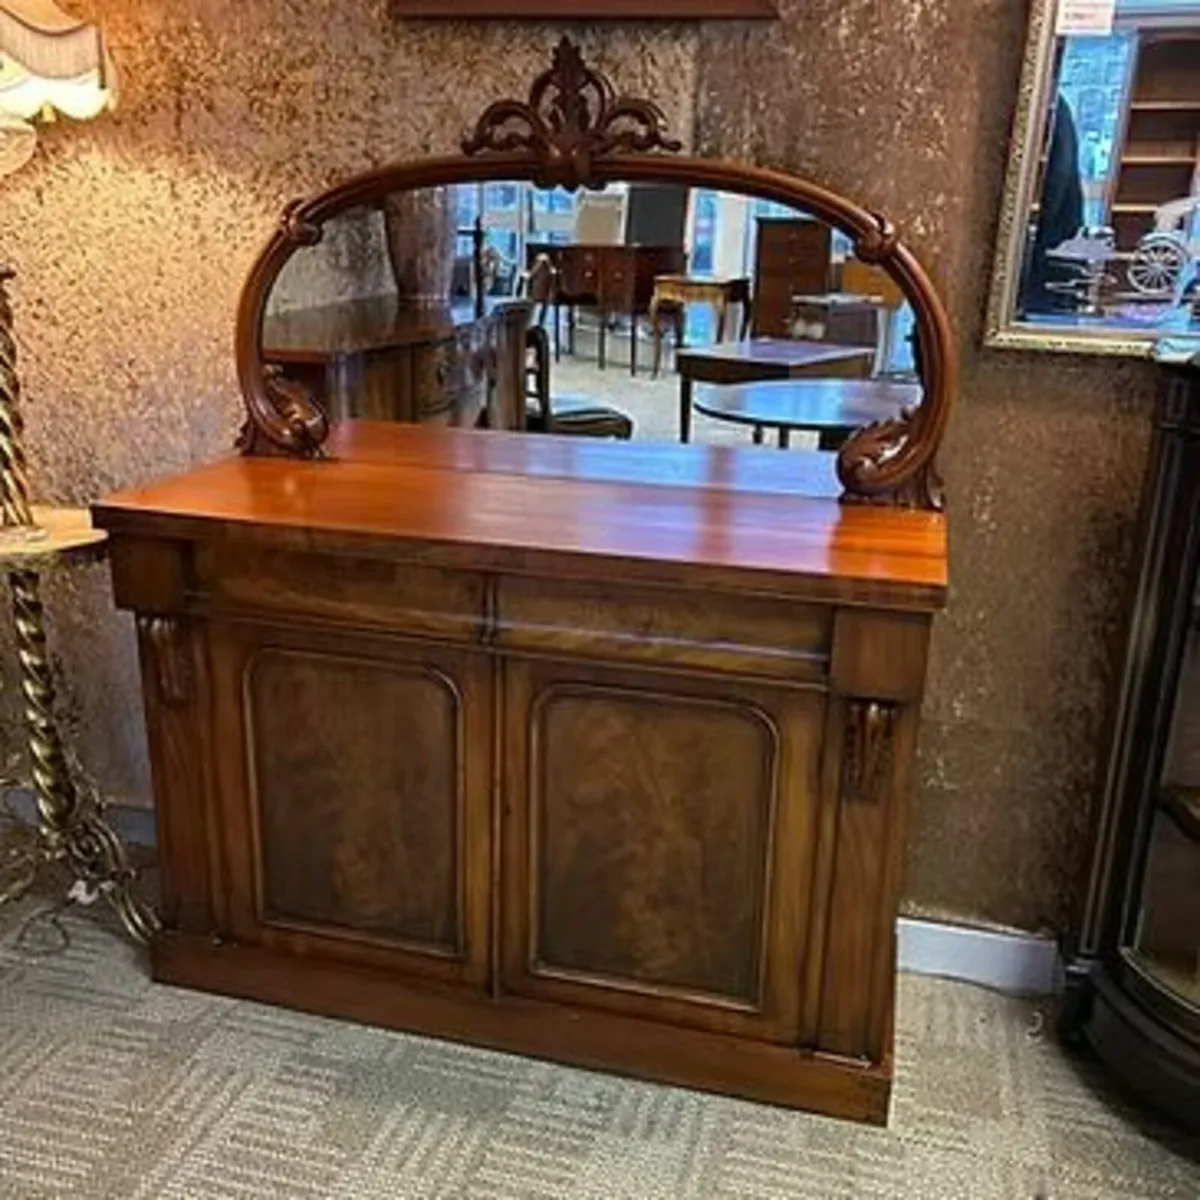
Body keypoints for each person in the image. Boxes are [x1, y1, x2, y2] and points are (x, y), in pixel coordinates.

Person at [1022, 94, 1086, 314]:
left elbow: (1055, 181)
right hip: (1054, 243)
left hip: (1047, 247)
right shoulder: (1051, 104)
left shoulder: (1047, 104)